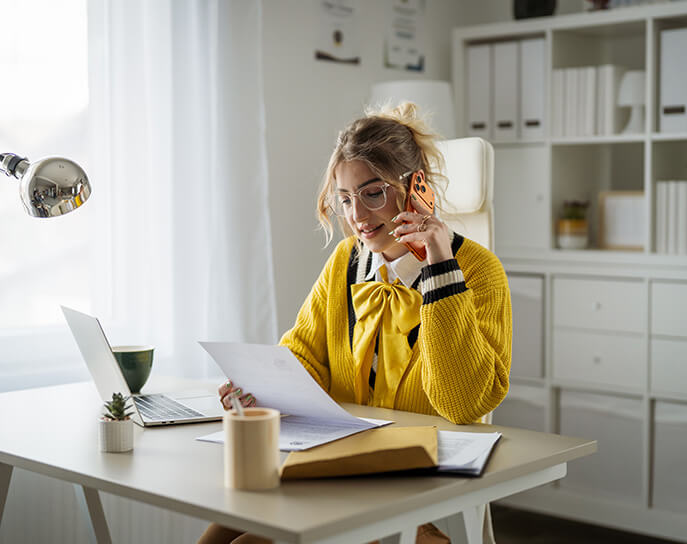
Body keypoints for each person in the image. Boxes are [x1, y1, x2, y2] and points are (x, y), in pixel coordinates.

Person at [198, 102, 512, 544]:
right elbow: (303, 358)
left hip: (415, 484)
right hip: (339, 466)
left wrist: (440, 267)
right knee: (220, 530)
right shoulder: (345, 262)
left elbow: (462, 403)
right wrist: (260, 391)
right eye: (345, 199)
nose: (358, 217)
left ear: (417, 187)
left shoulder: (479, 271)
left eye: (372, 193)